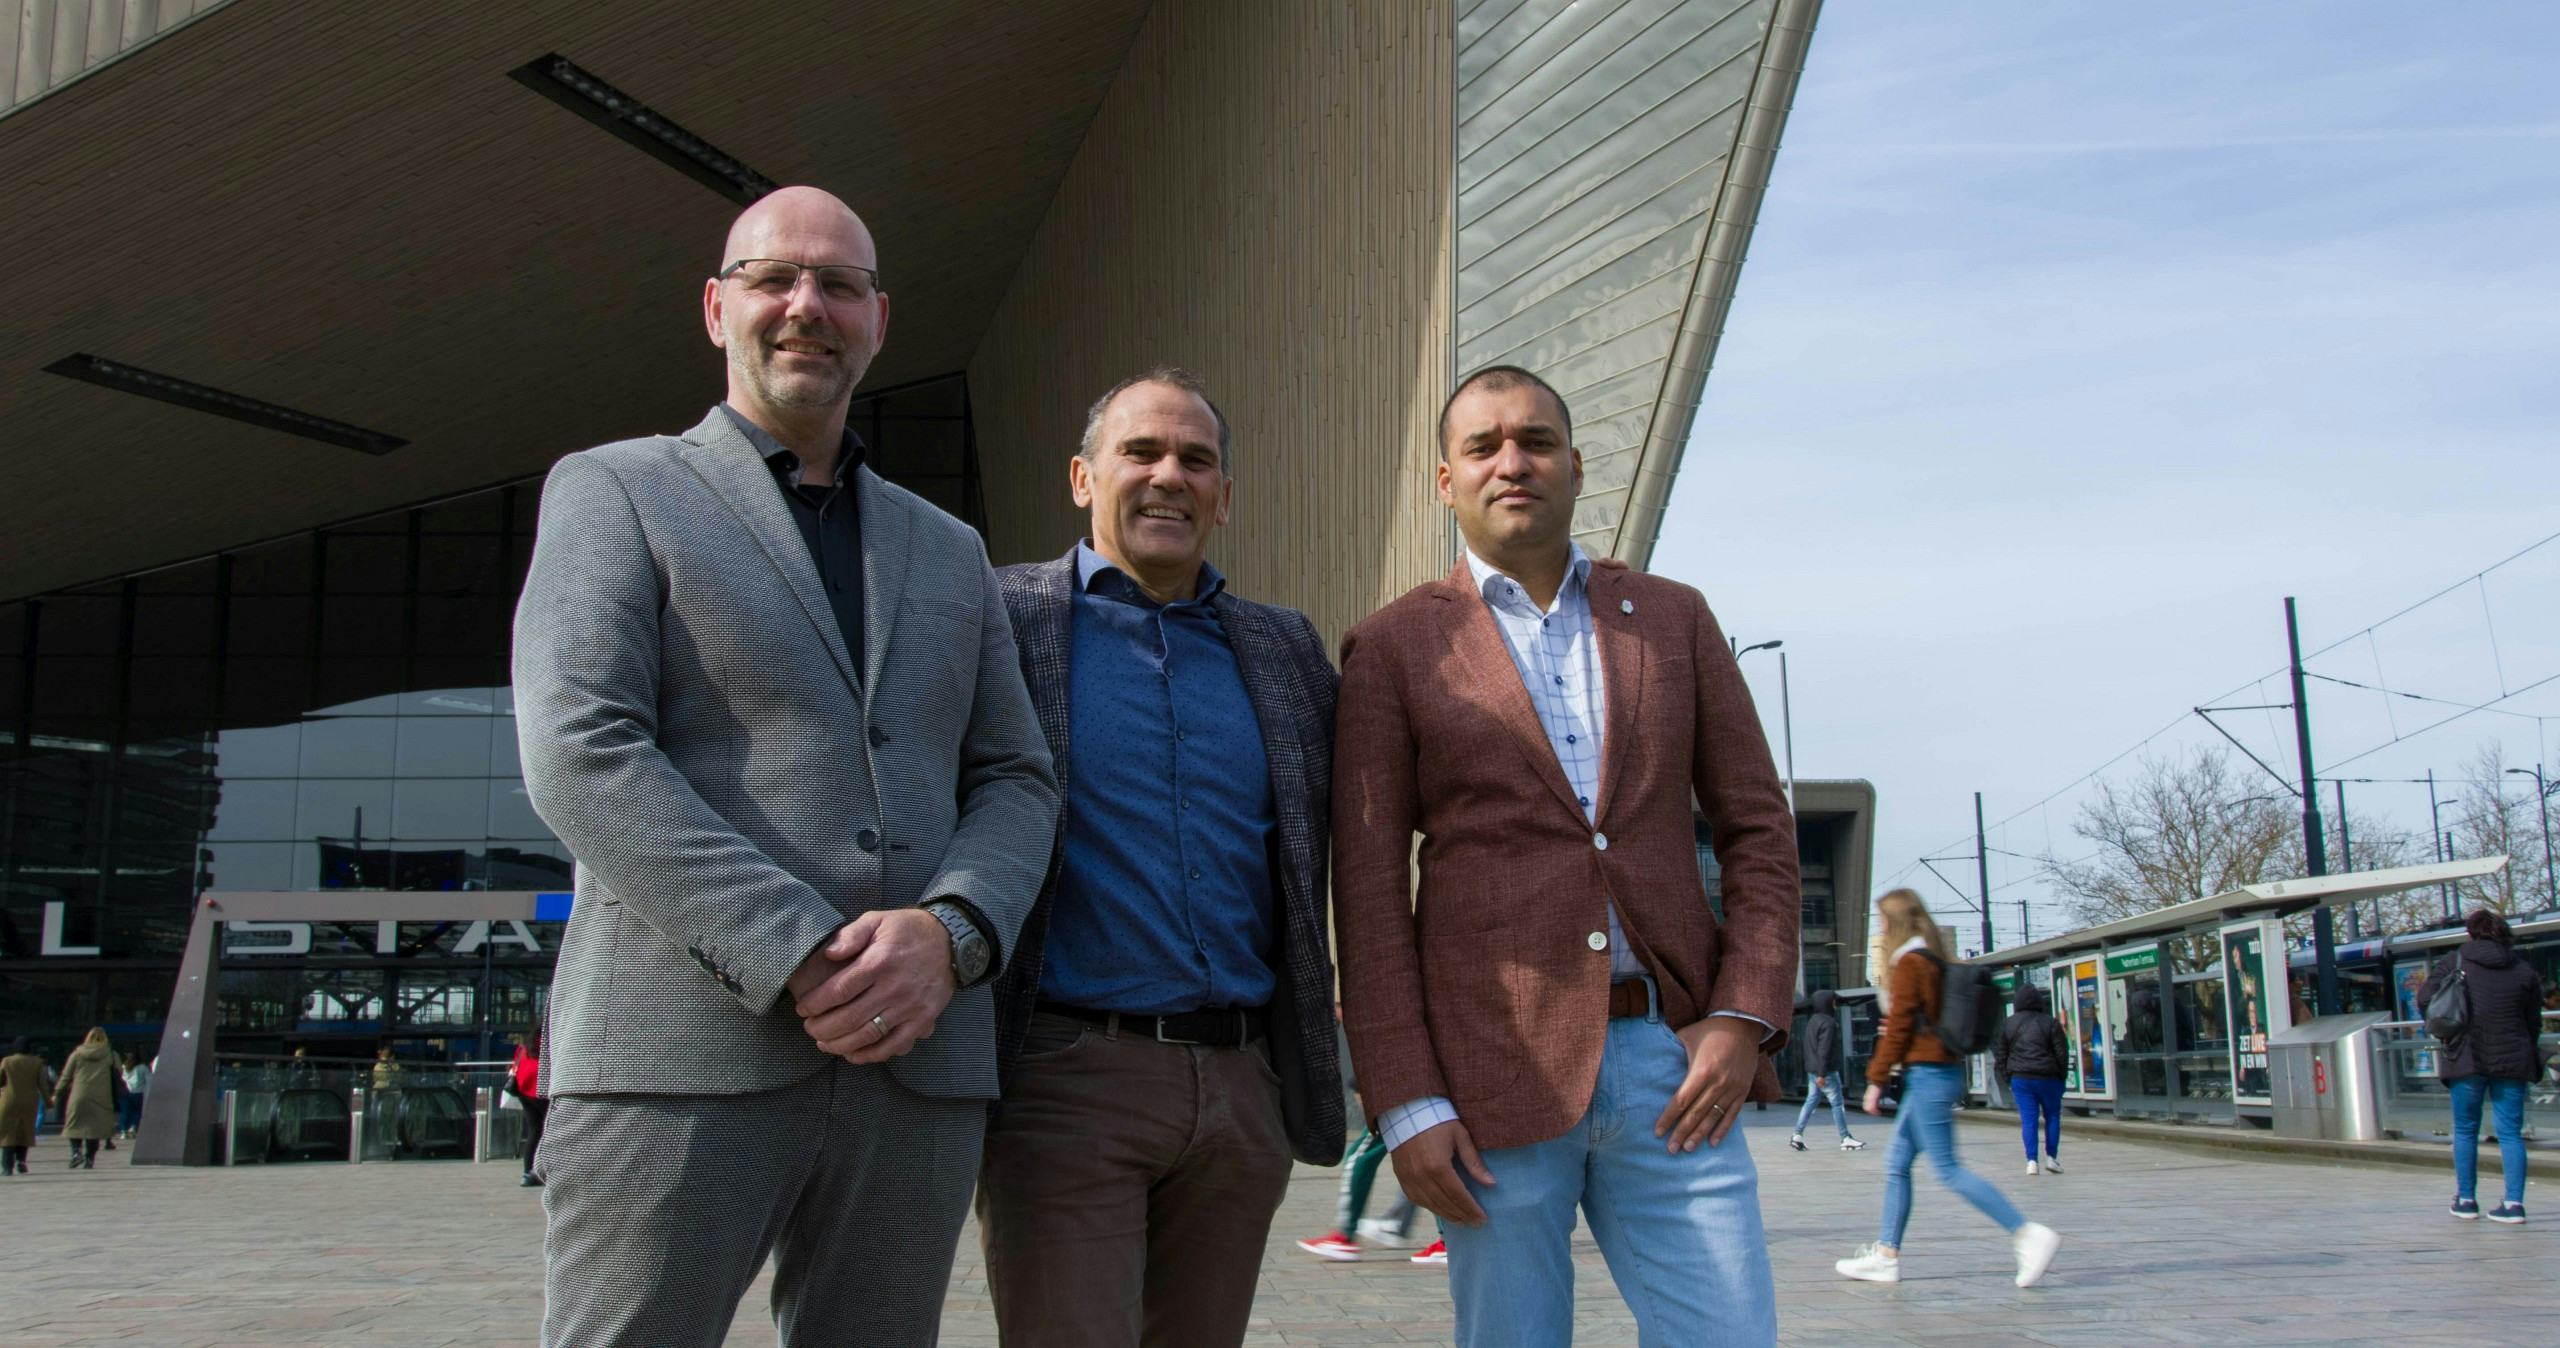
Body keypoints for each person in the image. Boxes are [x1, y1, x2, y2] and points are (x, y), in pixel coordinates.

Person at [512, 184, 1058, 1347]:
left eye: (839, 285)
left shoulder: (947, 547)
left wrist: (952, 933)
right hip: (679, 1061)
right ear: (718, 308)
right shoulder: (614, 490)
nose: (805, 304)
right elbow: (580, 749)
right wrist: (798, 948)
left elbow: (1016, 776)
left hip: (914, 1065)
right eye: (773, 278)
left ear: (878, 320)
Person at [1333, 365, 1801, 1346]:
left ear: (1576, 466)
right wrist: (1405, 1098)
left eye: (1536, 441)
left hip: (1672, 1068)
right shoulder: (1394, 646)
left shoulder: (1673, 618)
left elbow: (1758, 826)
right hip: (1489, 1074)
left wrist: (1742, 1016)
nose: (1513, 461)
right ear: (1444, 481)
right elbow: (1369, 893)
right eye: (1484, 445)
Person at [976, 368, 1344, 1346]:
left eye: (1195, 459)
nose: (1167, 476)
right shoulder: (998, 620)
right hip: (1064, 1077)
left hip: (1239, 1092)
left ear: (1224, 496)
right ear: (1080, 478)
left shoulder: (1285, 649)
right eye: (1139, 451)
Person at [1836, 890, 2059, 1288]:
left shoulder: (1910, 963)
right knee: (1897, 1165)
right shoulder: (1937, 961)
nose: (1881, 927)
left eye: (1883, 920)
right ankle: (1886, 1255)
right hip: (1940, 1072)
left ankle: (2026, 1232)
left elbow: (1900, 1025)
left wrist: (1875, 1079)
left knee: (1948, 1169)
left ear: (1895, 923)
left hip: (1927, 1076)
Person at [2417, 907, 2548, 1224]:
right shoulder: (2523, 971)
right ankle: (2514, 1204)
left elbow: (2425, 999)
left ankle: (2466, 1200)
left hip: (2466, 1055)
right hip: (2512, 1059)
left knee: (2465, 1129)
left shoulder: (2455, 962)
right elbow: (2534, 1022)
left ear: (2471, 933)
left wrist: (2450, 1030)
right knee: (2510, 1133)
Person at [1299, 1013, 1427, 1264]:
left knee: (1361, 1155)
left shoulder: (1374, 1011)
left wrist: (1360, 1085)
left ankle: (1345, 1236)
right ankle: (1434, 1237)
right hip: (1413, 1079)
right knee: (1426, 1162)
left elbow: (1385, 1040)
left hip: (1397, 1085)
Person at [1994, 984, 2070, 1175]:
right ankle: (2052, 1158)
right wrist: (2062, 1077)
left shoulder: (2009, 1024)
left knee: (2029, 1120)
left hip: (2021, 1079)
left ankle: (2031, 1162)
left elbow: (2001, 1055)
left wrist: (2008, 1079)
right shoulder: (2050, 1022)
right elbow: (2062, 1053)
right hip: (2048, 1078)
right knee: (2052, 1116)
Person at [1790, 990, 1864, 1153]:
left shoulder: (1813, 1021)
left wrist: (1815, 1071)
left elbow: (1810, 1048)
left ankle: (1797, 1135)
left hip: (1812, 1070)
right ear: (1828, 1003)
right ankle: (1845, 1138)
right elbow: (1824, 1049)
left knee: (1811, 1101)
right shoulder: (1829, 1023)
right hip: (1826, 1072)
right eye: (1833, 1002)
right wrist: (1822, 1073)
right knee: (1837, 1103)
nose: (1835, 1005)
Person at [56, 1028, 119, 1170]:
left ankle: (76, 1152)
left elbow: (65, 1077)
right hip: (102, 1096)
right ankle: (90, 1158)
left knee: (75, 1125)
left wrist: (56, 1093)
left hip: (79, 1094)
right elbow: (118, 1073)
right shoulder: (110, 1054)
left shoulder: (77, 1054)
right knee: (94, 1129)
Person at [508, 1031, 547, 1189]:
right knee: (551, 1129)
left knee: (534, 1130)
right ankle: (546, 1170)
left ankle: (528, 1172)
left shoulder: (525, 1045)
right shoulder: (548, 1041)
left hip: (523, 1088)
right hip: (540, 1087)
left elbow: (515, 1064)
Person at [1, 1038, 44, 1176]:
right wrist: (49, 1101)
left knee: (8, 1133)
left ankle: (7, 1167)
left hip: (9, 1100)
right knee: (24, 1131)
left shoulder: (7, 1061)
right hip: (29, 1101)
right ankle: (21, 1161)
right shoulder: (37, 1062)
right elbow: (42, 1085)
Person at [119, 1051, 151, 1142]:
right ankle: (133, 1126)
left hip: (125, 1092)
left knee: (125, 1112)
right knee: (137, 1111)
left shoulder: (124, 1067)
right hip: (138, 1092)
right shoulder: (143, 1067)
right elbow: (148, 1079)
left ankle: (123, 1131)